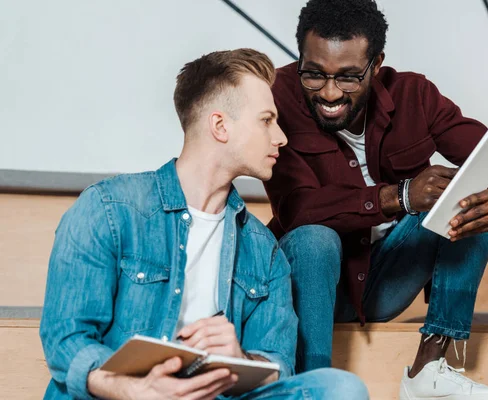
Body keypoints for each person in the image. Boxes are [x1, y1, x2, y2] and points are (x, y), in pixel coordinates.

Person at [39, 48, 369, 400]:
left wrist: (239, 357)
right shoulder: (109, 210)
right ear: (220, 126)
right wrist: (136, 390)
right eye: (266, 120)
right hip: (122, 395)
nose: (281, 138)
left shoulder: (264, 251)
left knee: (339, 388)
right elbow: (66, 341)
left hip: (215, 395)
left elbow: (277, 366)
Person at [263, 1, 488, 399]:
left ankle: (429, 369)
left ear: (376, 64)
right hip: (311, 287)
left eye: (350, 77)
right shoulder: (277, 97)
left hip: (386, 279)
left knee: (470, 200)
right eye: (314, 74)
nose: (330, 92)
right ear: (300, 56)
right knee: (313, 239)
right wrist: (400, 195)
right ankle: (314, 385)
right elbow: (298, 209)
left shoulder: (414, 95)